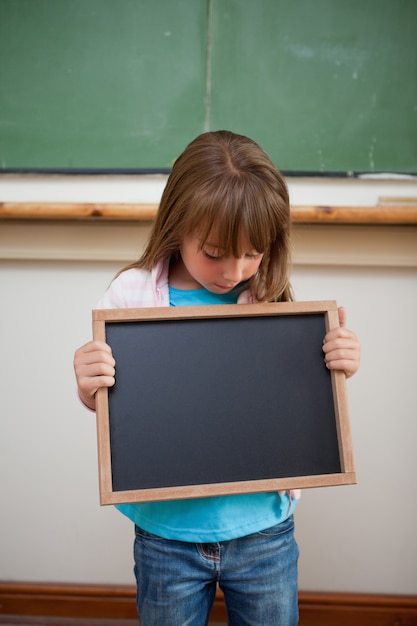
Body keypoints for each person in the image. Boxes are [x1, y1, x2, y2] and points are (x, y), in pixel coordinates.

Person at [74, 130, 360, 626]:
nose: (234, 271)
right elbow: (116, 407)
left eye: (253, 253)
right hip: (167, 538)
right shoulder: (130, 295)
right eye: (214, 251)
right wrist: (87, 384)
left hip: (264, 533)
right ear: (177, 225)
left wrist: (338, 361)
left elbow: (295, 399)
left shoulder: (272, 296)